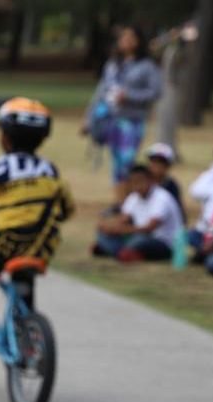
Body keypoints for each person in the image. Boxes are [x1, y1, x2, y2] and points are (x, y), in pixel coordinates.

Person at [0, 97, 75, 348]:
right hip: (42, 246)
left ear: (5, 138)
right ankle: (28, 334)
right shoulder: (50, 170)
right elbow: (67, 208)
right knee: (23, 279)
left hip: (8, 242)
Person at [83, 24, 162, 189]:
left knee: (126, 162)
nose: (125, 41)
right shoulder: (112, 65)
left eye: (130, 37)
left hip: (132, 120)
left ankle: (128, 204)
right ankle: (120, 204)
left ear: (139, 41)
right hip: (110, 118)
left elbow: (155, 92)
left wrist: (129, 96)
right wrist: (89, 119)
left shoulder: (147, 66)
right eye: (123, 37)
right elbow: (100, 92)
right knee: (117, 162)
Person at [94, 164, 182, 263]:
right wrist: (110, 228)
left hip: (162, 242)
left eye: (140, 181)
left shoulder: (162, 198)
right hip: (138, 235)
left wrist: (123, 230)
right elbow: (123, 220)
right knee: (103, 233)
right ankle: (123, 252)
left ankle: (114, 250)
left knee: (138, 240)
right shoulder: (133, 198)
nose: (137, 185)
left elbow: (149, 228)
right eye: (134, 182)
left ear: (150, 180)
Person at [145, 142, 185, 221]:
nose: (155, 165)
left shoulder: (171, 186)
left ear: (168, 166)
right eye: (153, 161)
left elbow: (178, 211)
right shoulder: (142, 183)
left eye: (160, 162)